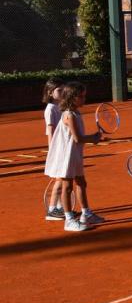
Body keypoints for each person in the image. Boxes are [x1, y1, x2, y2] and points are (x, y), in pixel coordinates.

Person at [43, 81, 104, 232]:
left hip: (75, 154)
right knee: (67, 186)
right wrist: (93, 138)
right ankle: (69, 220)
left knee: (81, 182)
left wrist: (92, 137)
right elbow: (78, 138)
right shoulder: (69, 115)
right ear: (72, 97)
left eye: (84, 96)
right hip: (66, 156)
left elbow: (78, 138)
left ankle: (86, 214)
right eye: (81, 96)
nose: (84, 99)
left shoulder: (76, 113)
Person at [42, 76, 68, 221]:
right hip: (57, 149)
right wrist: (53, 150)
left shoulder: (61, 107)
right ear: (50, 93)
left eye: (64, 89)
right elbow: (50, 130)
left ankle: (59, 207)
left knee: (63, 179)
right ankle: (52, 210)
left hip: (63, 147)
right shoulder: (50, 109)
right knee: (60, 179)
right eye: (59, 90)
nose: (63, 92)